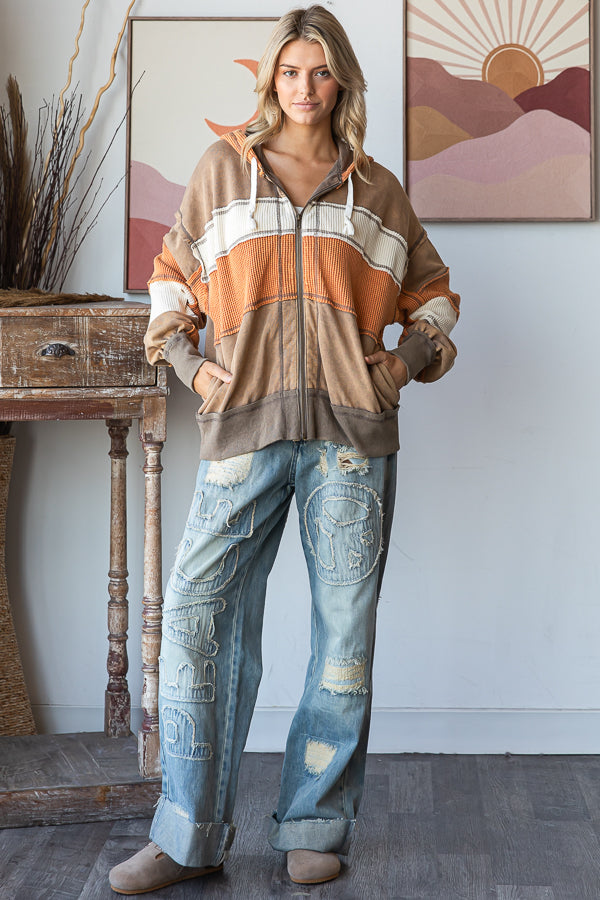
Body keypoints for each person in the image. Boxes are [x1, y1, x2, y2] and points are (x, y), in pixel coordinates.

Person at [109, 4, 459, 893]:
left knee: (342, 636)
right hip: (243, 430)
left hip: (350, 440)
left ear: (342, 81)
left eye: (321, 72)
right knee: (197, 621)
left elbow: (433, 294)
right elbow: (171, 279)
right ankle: (188, 834)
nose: (305, 89)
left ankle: (315, 822)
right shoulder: (223, 171)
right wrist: (190, 364)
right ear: (271, 78)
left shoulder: (376, 190)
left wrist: (402, 364)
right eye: (291, 72)